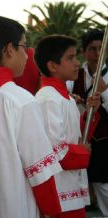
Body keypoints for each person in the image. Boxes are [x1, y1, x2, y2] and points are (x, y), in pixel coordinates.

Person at [0, 16, 63, 218]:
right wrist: (53, 212)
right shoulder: (22, 102)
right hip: (13, 208)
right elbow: (40, 173)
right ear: (9, 49)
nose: (27, 56)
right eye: (24, 47)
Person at [34, 34, 100, 218]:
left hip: (70, 185)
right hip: (58, 190)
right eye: (70, 58)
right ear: (52, 66)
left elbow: (76, 135)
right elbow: (54, 151)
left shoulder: (66, 98)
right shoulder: (48, 99)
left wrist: (89, 113)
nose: (77, 63)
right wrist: (82, 151)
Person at [68, 29, 108, 216]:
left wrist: (105, 92)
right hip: (81, 141)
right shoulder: (75, 74)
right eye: (92, 49)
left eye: (101, 48)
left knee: (104, 187)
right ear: (84, 52)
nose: (97, 53)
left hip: (104, 142)